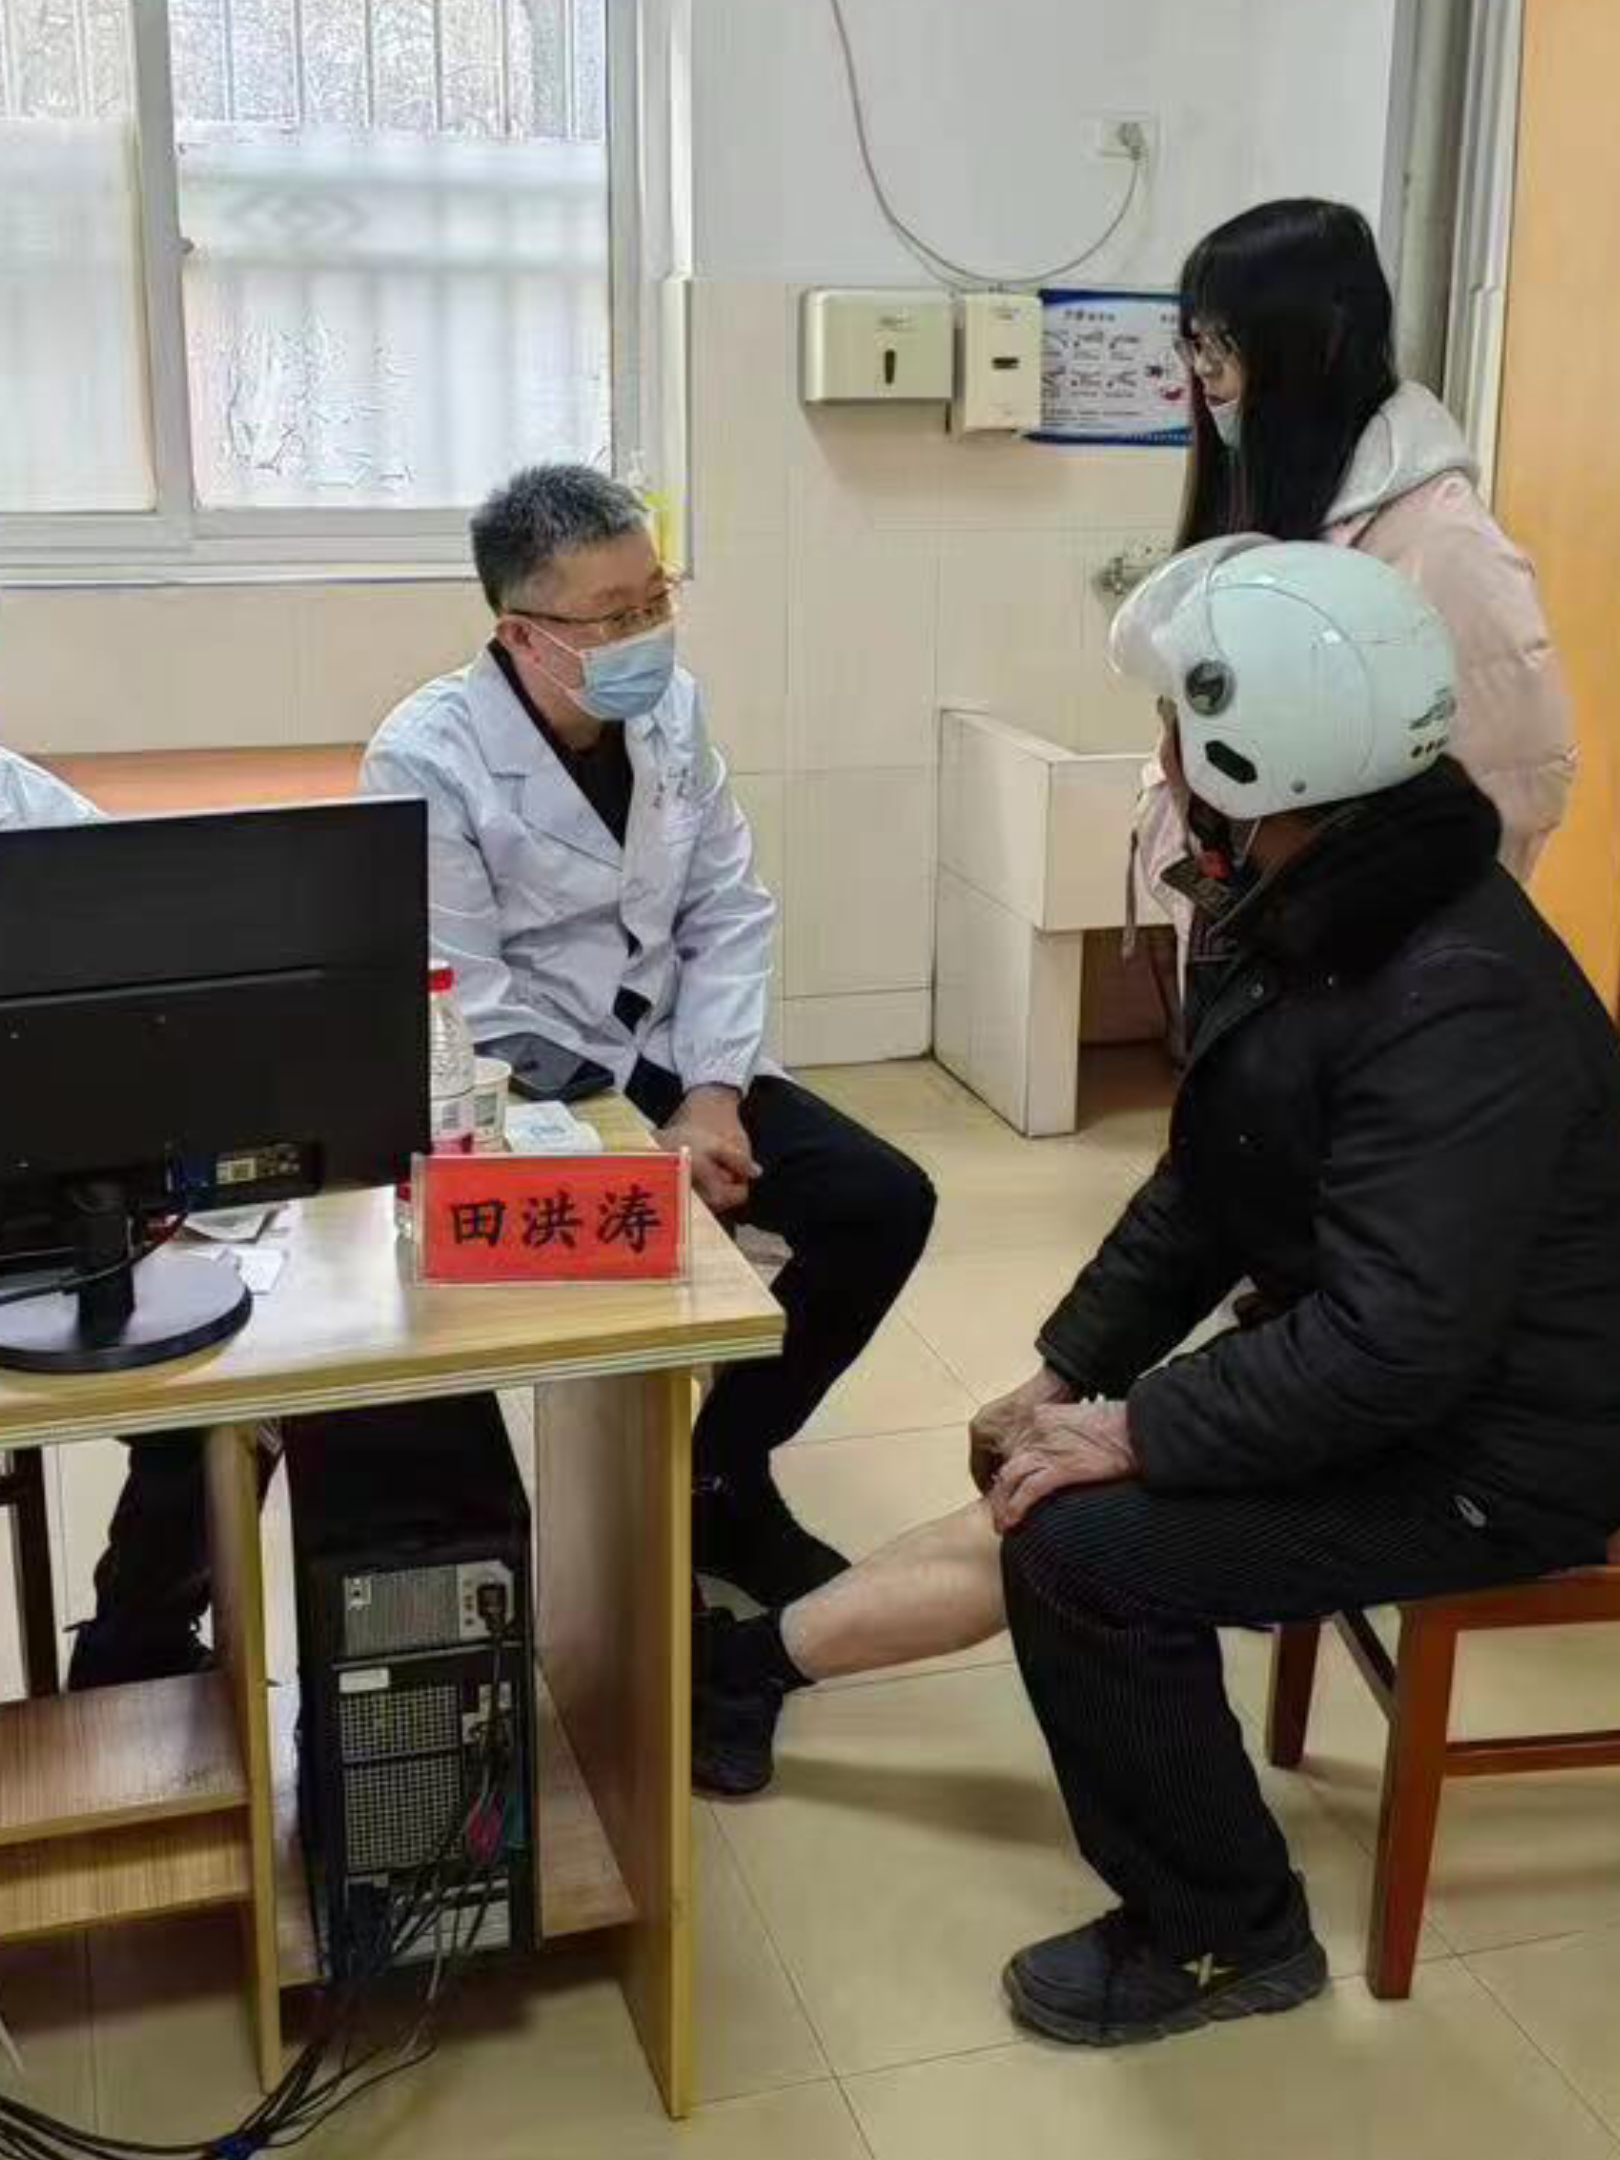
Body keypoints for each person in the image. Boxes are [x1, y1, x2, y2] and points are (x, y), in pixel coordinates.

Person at [694, 539, 1620, 2054]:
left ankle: (1224, 1934)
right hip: (1405, 1367)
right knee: (1041, 1473)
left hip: (1503, 1453)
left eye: (1175, 731)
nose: (1162, 760)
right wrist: (1068, 1376)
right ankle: (744, 1670)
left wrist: (1141, 1431)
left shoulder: (1453, 994)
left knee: (1086, 1552)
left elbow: (1396, 1345)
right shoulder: (1324, 899)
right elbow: (1213, 1179)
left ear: (1256, 762)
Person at [361, 464, 936, 1609]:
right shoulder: (425, 759)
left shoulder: (671, 712)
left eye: (656, 598)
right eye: (612, 616)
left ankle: (718, 1475)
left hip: (681, 1053)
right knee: (639, 1266)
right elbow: (466, 999)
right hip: (532, 1087)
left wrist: (714, 1092)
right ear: (523, 634)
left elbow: (728, 907)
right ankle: (629, 1538)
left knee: (881, 1202)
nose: (646, 634)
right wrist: (637, 1141)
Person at [1136, 197, 1572, 962]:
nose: (1205, 375)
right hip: (1278, 945)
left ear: (1322, 341)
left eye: (1223, 344)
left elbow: (1515, 778)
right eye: (1194, 344)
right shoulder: (1290, 502)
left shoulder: (1443, 543)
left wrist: (1341, 933)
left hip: (1362, 960)